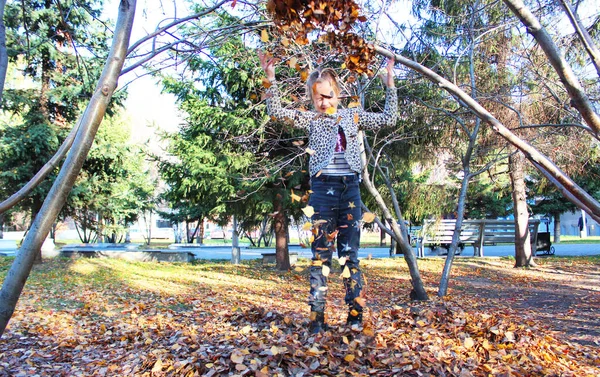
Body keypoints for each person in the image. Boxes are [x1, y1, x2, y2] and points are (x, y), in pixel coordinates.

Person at [259, 51, 397, 333]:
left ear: (338, 94)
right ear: (312, 98)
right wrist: (270, 79)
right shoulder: (311, 119)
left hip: (350, 192)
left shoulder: (352, 116)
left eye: (330, 95)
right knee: (321, 256)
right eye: (319, 97)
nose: (325, 102)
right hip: (322, 192)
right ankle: (317, 319)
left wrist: (390, 83)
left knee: (350, 255)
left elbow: (389, 118)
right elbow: (276, 112)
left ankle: (355, 317)